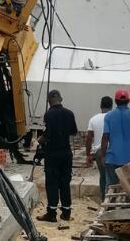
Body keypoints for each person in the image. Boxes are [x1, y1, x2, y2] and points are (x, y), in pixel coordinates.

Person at [37, 90, 78, 222]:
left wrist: (38, 141)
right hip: (66, 153)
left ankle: (52, 213)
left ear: (49, 101)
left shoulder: (48, 114)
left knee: (52, 183)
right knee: (65, 182)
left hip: (52, 154)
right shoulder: (69, 113)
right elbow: (74, 131)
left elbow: (47, 135)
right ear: (61, 99)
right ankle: (66, 213)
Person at [85, 96, 114, 199]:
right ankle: (112, 199)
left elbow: (88, 138)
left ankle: (104, 198)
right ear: (112, 105)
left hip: (99, 152)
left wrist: (88, 155)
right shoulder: (114, 117)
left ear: (100, 106)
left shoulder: (93, 119)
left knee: (103, 175)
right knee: (113, 176)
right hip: (113, 151)